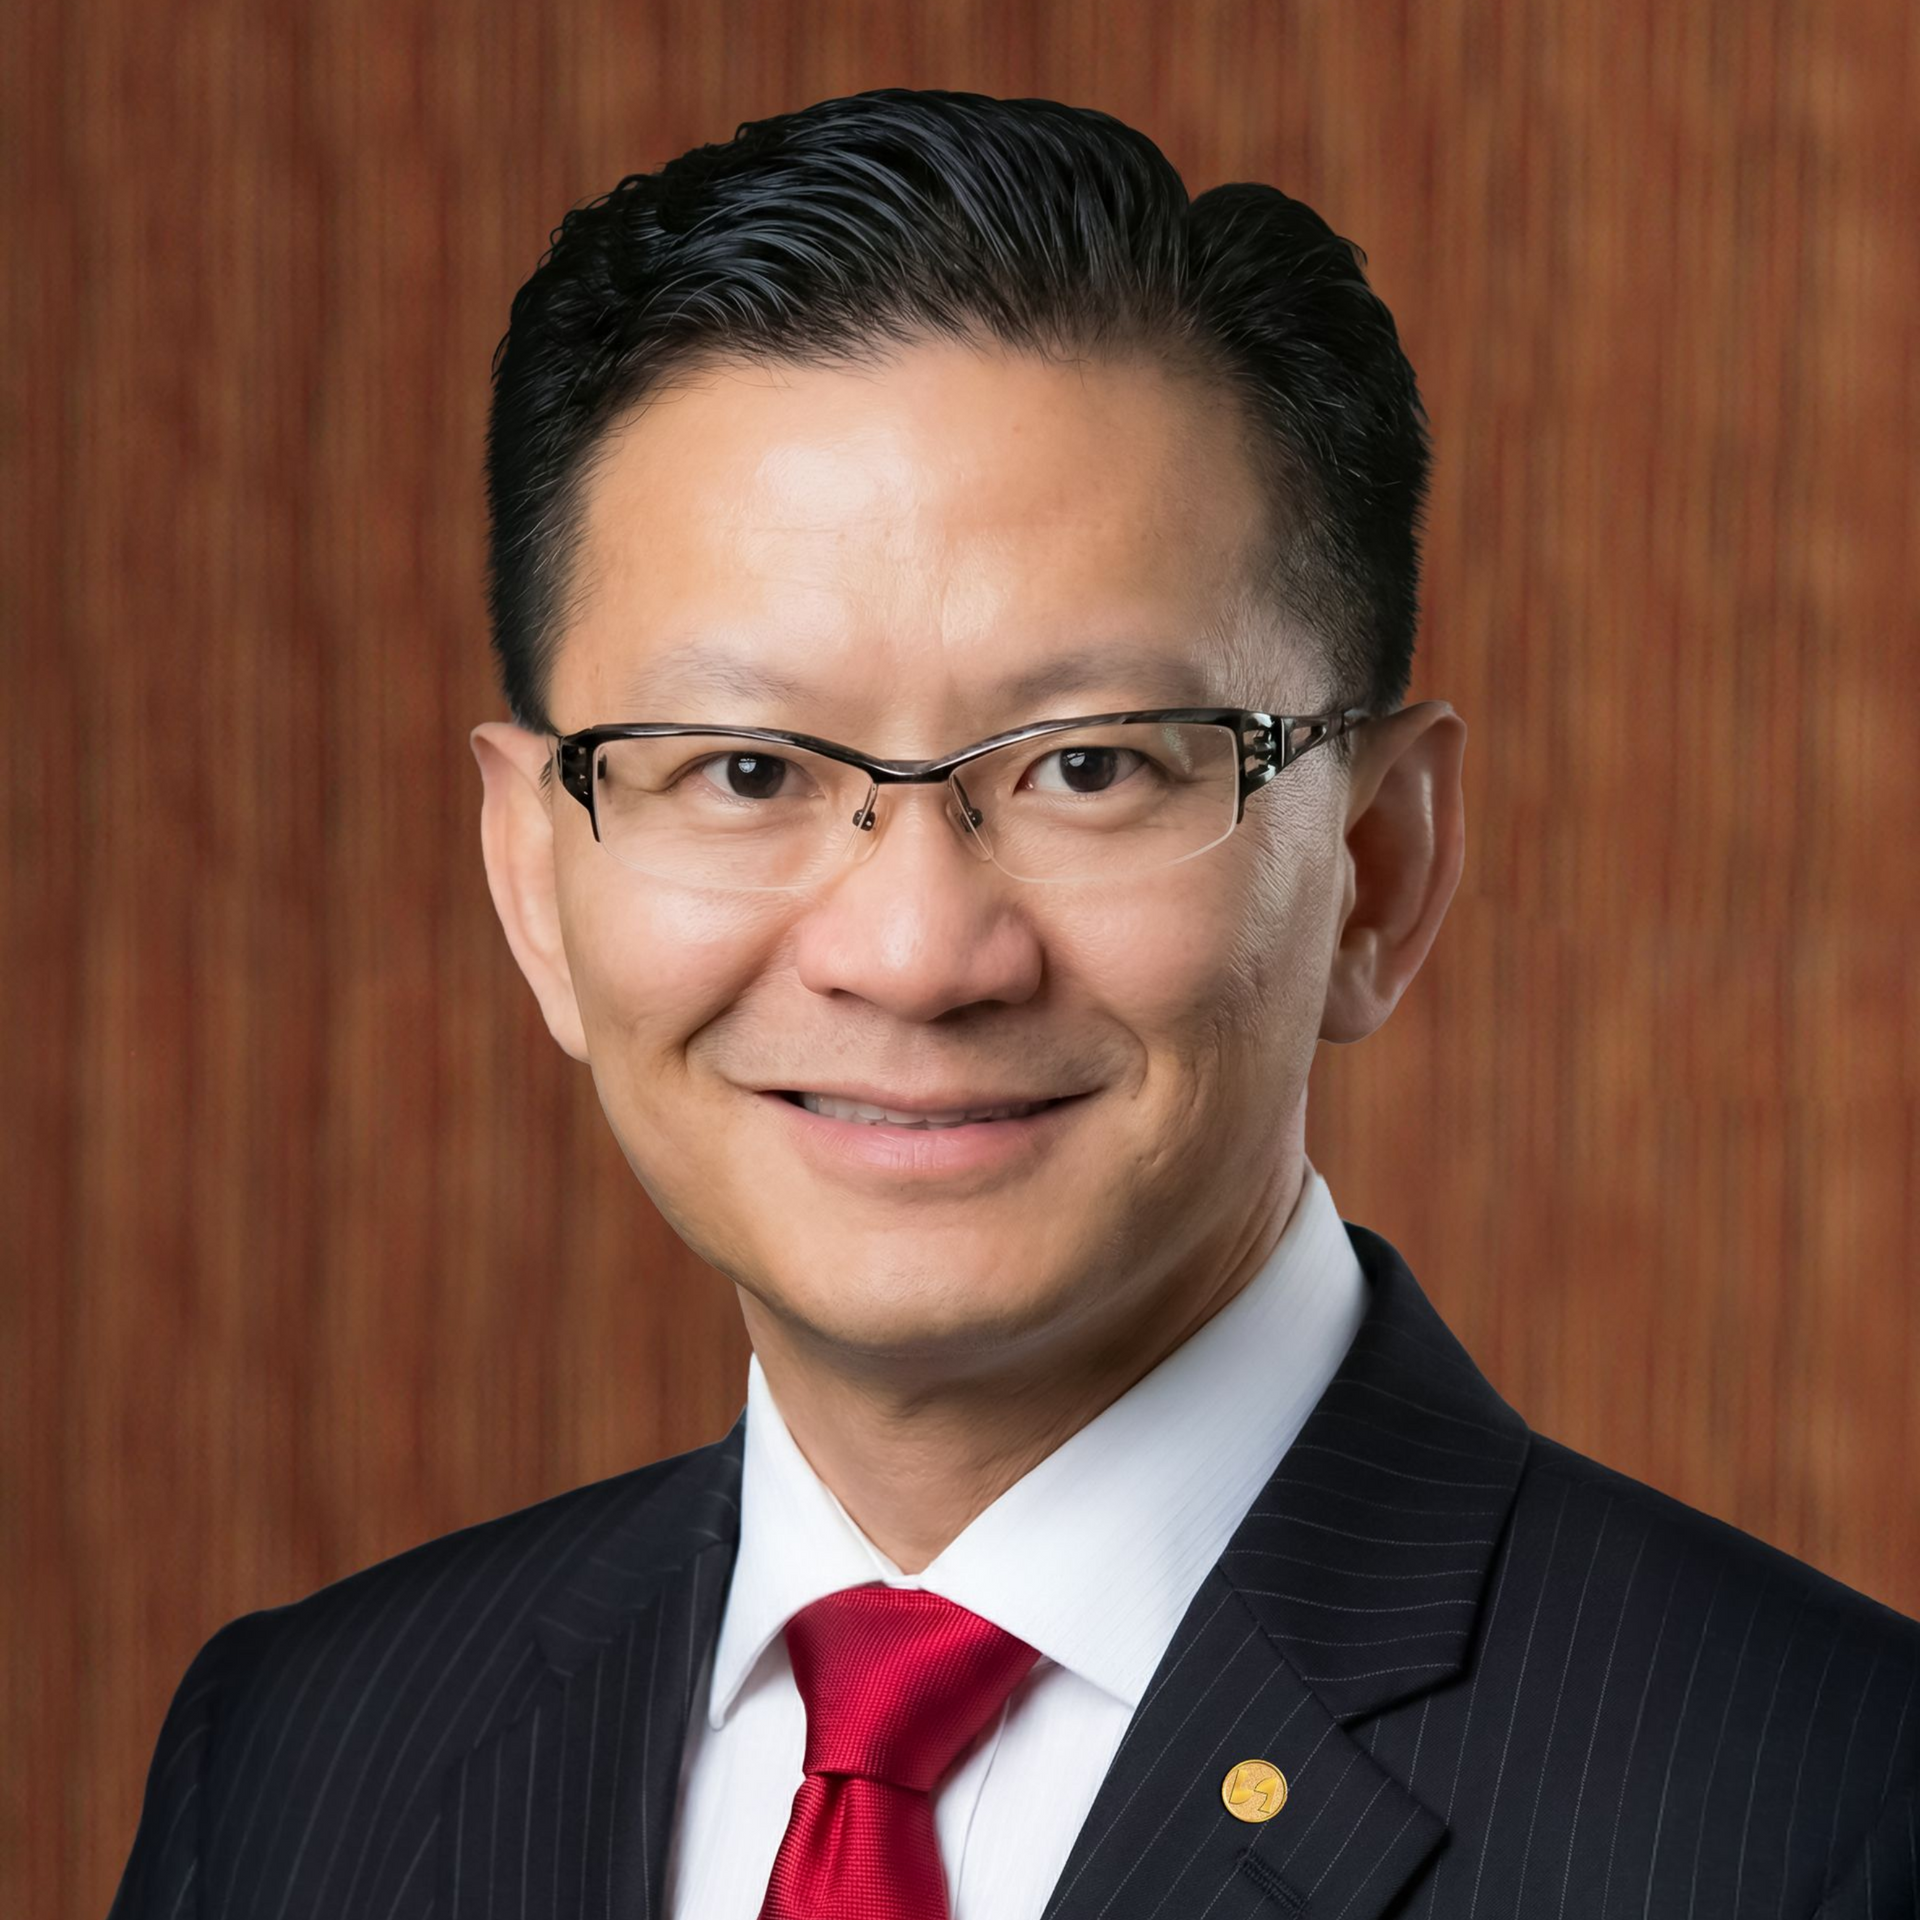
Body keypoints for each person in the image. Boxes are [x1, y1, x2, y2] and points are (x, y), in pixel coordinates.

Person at [110, 88, 1916, 1920]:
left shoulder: (1829, 1813)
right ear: (534, 880)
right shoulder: (293, 1766)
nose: (912, 953)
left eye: (1094, 769)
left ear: (1376, 867)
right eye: (744, 771)